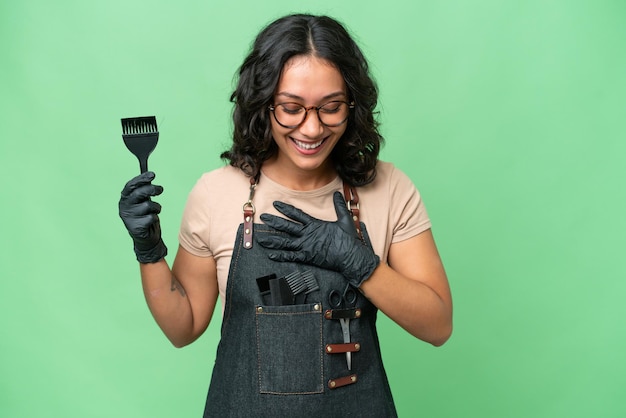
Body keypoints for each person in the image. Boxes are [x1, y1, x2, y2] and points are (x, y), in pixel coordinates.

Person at [119, 13, 452, 417]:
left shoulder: (388, 188)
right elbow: (183, 327)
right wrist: (149, 250)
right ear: (263, 103)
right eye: (291, 108)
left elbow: (438, 326)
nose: (311, 129)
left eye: (331, 108)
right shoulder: (217, 193)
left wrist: (359, 264)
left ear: (353, 105)